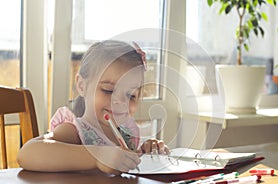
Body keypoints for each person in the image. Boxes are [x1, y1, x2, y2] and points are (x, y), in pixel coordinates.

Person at [17, 40, 169, 175]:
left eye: (131, 95)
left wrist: (146, 152)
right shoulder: (75, 131)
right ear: (82, 86)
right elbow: (27, 154)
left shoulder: (127, 135)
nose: (120, 102)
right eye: (108, 90)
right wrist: (97, 156)